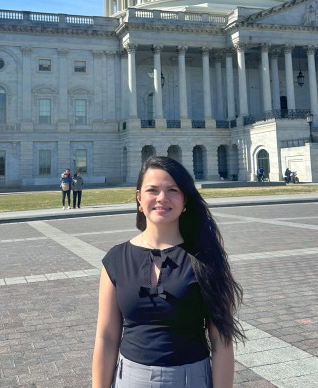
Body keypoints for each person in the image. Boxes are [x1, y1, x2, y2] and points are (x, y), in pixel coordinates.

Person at [92, 156, 244, 388]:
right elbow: (106, 337)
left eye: (172, 190)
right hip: (130, 379)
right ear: (139, 199)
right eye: (152, 190)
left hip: (190, 379)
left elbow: (221, 341)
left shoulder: (206, 259)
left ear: (184, 201)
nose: (162, 198)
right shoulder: (116, 259)